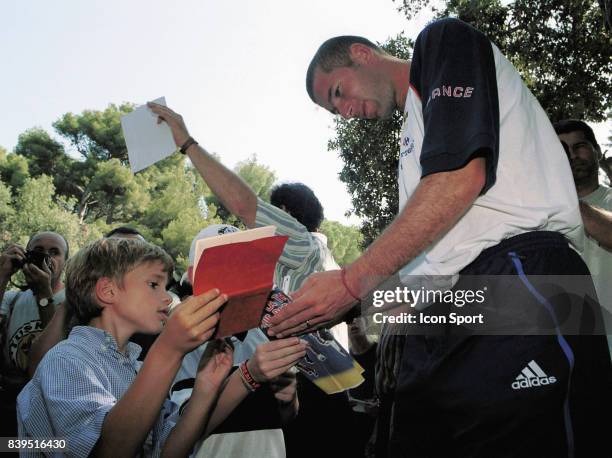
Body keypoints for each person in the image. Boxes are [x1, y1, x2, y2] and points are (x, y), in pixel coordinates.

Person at [267, 18, 610, 456]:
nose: (346, 112)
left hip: (523, 278)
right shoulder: (413, 131)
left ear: (362, 53)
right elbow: (438, 255)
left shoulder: (441, 43)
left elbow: (459, 179)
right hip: (459, 303)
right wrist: (348, 306)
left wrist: (352, 282)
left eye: (338, 93)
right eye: (337, 112)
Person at [148, 103, 359, 457]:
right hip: (318, 393)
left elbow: (246, 205)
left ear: (286, 217)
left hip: (312, 394)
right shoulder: (322, 262)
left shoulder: (301, 248)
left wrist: (187, 144)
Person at [17, 237, 232, 457]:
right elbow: (109, 451)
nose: (167, 298)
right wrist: (169, 349)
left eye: (166, 287)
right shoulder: (65, 360)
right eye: (153, 285)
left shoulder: (135, 368)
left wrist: (205, 390)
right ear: (108, 291)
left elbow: (166, 451)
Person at [170, 225, 306, 458]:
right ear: (194, 276)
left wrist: (289, 400)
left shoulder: (268, 332)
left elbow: (286, 418)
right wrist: (248, 374)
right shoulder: (185, 340)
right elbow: (183, 434)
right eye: (221, 266)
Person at [0, 231, 69, 436]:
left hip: (51, 410)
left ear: (66, 263)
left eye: (54, 252)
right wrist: (2, 276)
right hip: (10, 404)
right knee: (8, 449)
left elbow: (62, 350)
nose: (45, 256)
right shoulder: (12, 298)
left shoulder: (73, 301)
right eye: (37, 251)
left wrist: (44, 294)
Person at [555, 119, 612, 356]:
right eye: (563, 150)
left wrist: (569, 204)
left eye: (579, 146)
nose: (572, 155)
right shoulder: (538, 213)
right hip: (569, 355)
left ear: (597, 151)